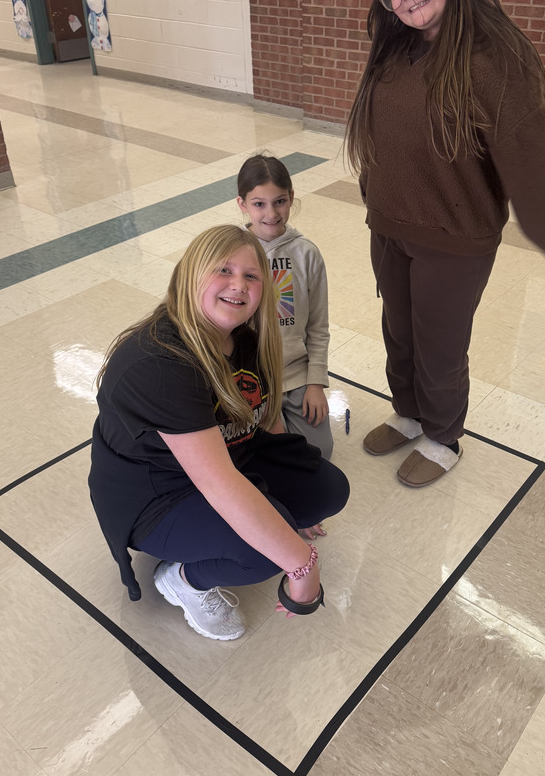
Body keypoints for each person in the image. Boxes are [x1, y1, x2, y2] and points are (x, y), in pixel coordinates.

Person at [345, 0, 545, 489]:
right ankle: (410, 414)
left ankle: (443, 436)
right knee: (399, 332)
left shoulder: (494, 59)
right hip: (391, 225)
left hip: (454, 238)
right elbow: (385, 138)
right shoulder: (397, 49)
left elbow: (533, 161)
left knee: (439, 344)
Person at [88, 225, 349, 641]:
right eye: (223, 270)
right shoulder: (160, 363)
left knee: (326, 490)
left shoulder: (242, 339)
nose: (238, 285)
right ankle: (182, 580)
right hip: (156, 495)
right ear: (190, 275)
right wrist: (302, 564)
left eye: (251, 275)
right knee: (267, 553)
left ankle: (249, 530)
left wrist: (293, 480)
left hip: (227, 456)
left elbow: (265, 417)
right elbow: (218, 483)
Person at [237, 153, 334, 459]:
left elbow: (318, 326)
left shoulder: (307, 254)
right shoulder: (233, 252)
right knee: (259, 453)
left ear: (291, 197)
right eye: (259, 204)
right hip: (249, 376)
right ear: (242, 204)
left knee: (319, 453)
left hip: (296, 374)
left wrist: (315, 383)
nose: (271, 213)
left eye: (279, 201)